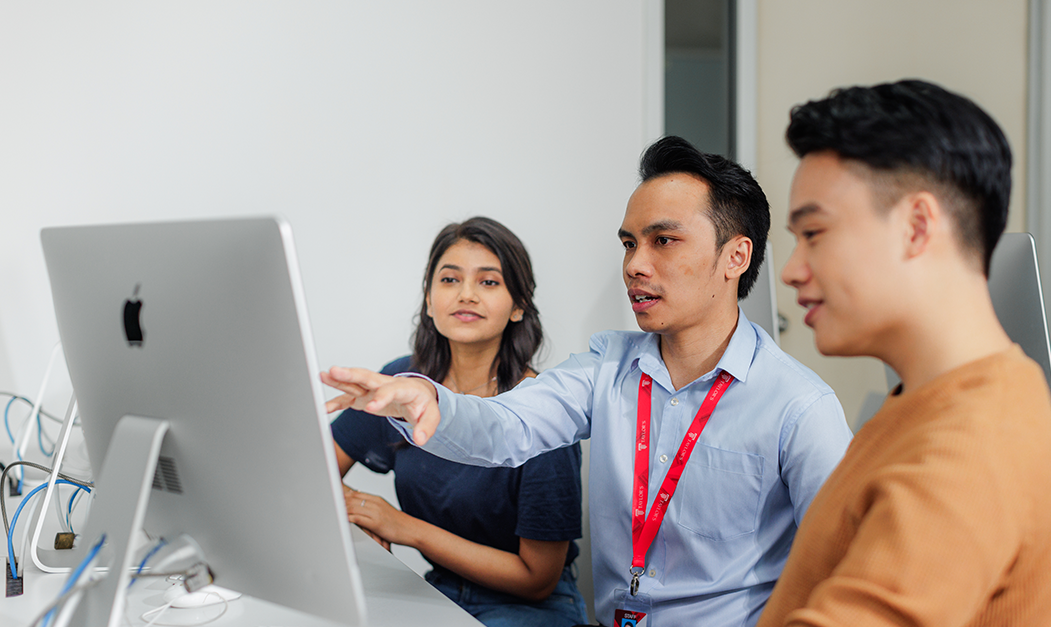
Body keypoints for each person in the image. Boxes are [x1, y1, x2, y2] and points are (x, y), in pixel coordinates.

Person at [323, 136, 853, 626]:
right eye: (629, 244)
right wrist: (430, 400)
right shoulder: (607, 368)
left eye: (663, 240)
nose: (635, 265)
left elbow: (846, 566)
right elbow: (509, 424)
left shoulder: (799, 406)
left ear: (735, 256)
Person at [756, 80, 1051, 626]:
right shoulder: (930, 402)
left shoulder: (970, 446)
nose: (790, 270)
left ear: (917, 227)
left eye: (813, 233)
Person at [330, 217, 588, 627]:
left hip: (528, 608)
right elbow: (312, 475)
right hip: (435, 590)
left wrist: (402, 527)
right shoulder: (403, 383)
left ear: (518, 305)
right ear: (429, 301)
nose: (466, 294)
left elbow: (536, 580)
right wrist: (357, 519)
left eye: (488, 282)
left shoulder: (544, 409)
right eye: (449, 280)